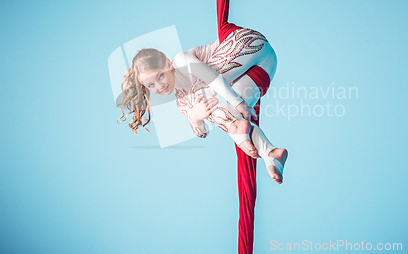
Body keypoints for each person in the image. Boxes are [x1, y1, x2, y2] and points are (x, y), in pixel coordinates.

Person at [118, 27, 288, 184]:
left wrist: (239, 104)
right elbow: (202, 132)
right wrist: (195, 118)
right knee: (214, 109)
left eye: (160, 75)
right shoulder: (183, 101)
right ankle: (271, 153)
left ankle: (237, 131)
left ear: (168, 63)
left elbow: (212, 78)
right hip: (265, 67)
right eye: (150, 85)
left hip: (250, 44)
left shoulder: (181, 61)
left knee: (202, 94)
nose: (159, 86)